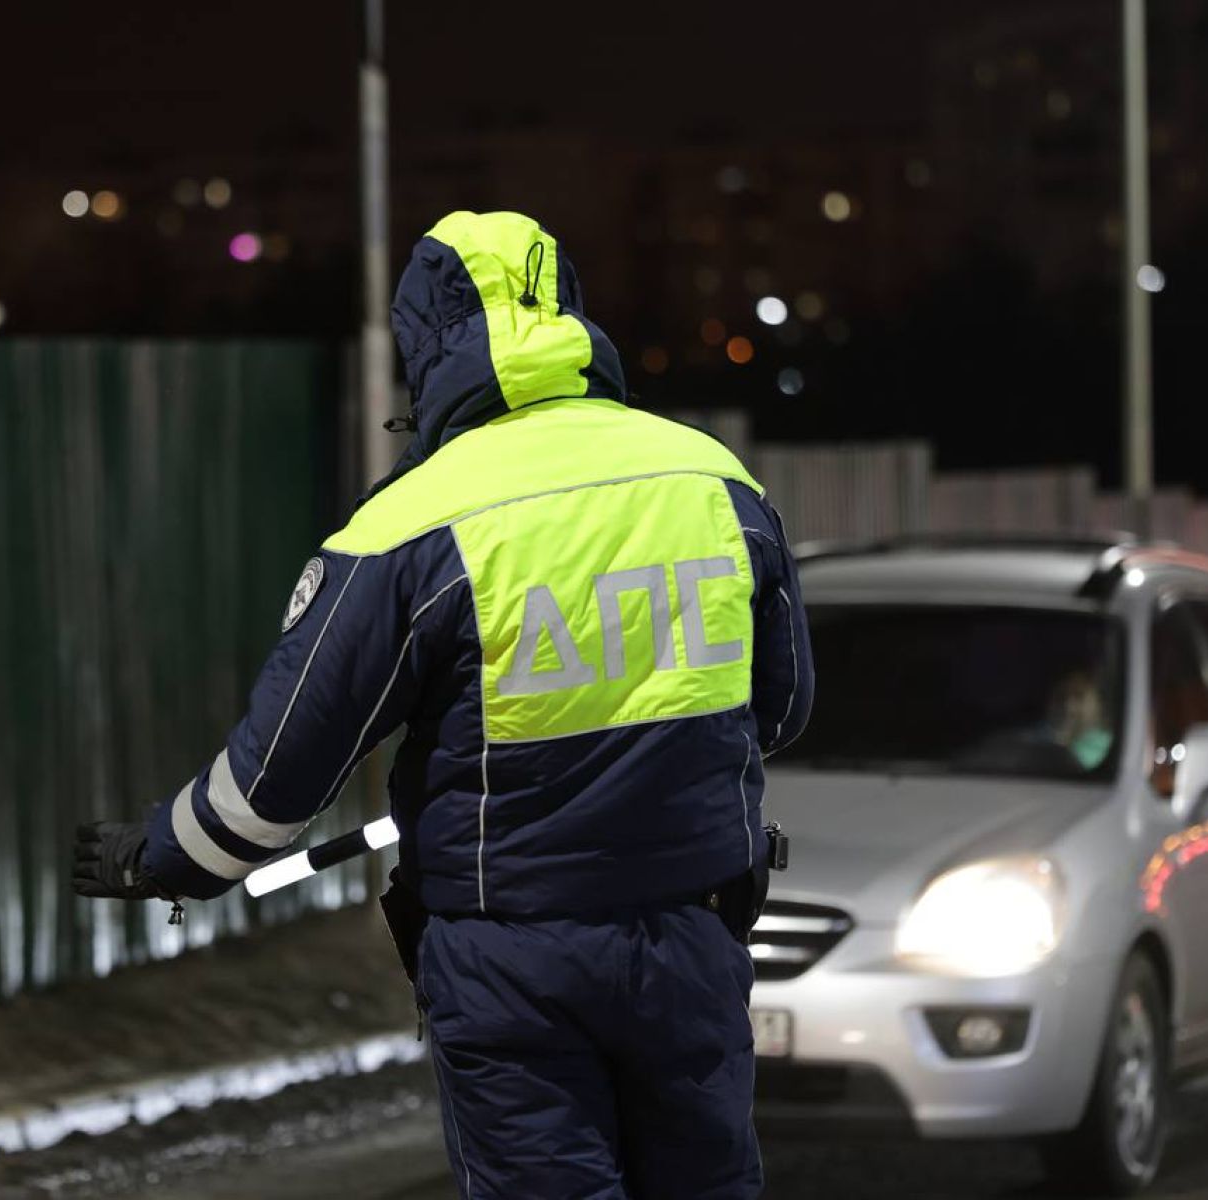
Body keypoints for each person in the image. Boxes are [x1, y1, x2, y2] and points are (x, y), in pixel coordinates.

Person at [73, 210, 814, 1199]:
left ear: (421, 343)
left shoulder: (413, 524)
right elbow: (784, 708)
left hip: (513, 961)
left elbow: (274, 782)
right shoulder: (712, 479)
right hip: (693, 939)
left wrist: (160, 856)